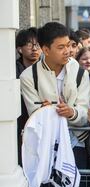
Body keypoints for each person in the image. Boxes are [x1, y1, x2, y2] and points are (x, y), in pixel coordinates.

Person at [20, 21, 90, 187]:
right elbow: (35, 113)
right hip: (44, 149)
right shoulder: (28, 76)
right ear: (45, 49)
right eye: (61, 47)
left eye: (69, 45)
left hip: (75, 143)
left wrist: (72, 113)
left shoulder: (79, 72)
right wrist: (50, 111)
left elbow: (84, 110)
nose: (68, 51)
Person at [15, 27, 42, 165]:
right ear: (19, 49)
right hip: (18, 123)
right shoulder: (13, 71)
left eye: (37, 44)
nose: (34, 49)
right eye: (29, 44)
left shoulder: (47, 70)